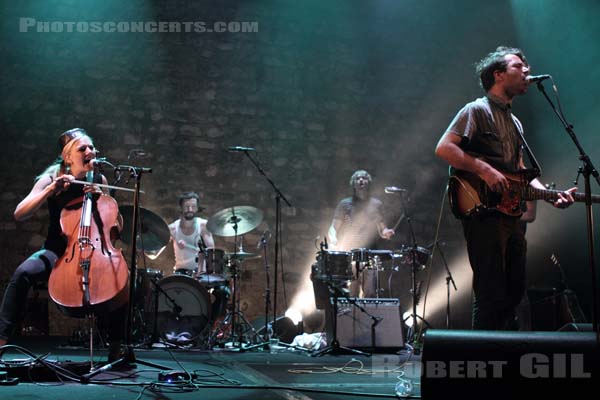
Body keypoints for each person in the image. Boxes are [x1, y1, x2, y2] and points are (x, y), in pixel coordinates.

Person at [435, 46, 576, 330]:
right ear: (498, 74)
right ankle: (483, 363)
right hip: (483, 211)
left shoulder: (515, 123)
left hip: (511, 215)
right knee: (490, 292)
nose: (527, 71)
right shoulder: (475, 110)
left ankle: (503, 356)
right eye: (518, 66)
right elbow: (444, 148)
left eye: (527, 66)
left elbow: (521, 172)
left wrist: (550, 195)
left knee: (513, 291)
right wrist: (484, 169)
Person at [0, 128, 126, 360]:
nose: (90, 151)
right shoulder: (52, 176)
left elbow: (116, 224)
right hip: (58, 250)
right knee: (23, 273)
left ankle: (116, 347)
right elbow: (20, 213)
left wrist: (102, 195)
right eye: (82, 149)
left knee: (119, 277)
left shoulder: (100, 179)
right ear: (68, 157)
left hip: (95, 249)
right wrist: (51, 189)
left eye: (91, 147)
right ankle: (1, 340)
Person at [327, 170, 395, 297]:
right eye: (358, 178)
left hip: (370, 253)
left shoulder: (376, 204)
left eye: (364, 178)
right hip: (350, 252)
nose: (361, 180)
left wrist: (386, 232)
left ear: (369, 182)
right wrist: (333, 239)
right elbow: (333, 227)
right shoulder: (345, 204)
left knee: (370, 291)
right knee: (352, 291)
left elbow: (382, 228)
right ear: (353, 183)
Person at [168, 192, 230, 322]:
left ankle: (210, 326)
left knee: (223, 292)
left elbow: (211, 252)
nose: (190, 209)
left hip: (202, 273)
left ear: (197, 208)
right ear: (181, 208)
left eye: (193, 206)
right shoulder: (173, 228)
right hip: (182, 272)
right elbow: (153, 253)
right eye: (186, 206)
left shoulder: (203, 225)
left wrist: (201, 269)